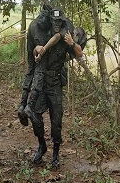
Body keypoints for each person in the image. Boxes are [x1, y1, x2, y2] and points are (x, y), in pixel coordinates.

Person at [30, 9, 86, 168]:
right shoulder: (43, 34)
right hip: (42, 81)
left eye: (58, 22)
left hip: (55, 83)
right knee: (35, 114)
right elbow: (34, 52)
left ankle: (55, 154)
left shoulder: (64, 38)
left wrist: (72, 43)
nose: (56, 24)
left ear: (62, 22)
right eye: (53, 21)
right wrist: (37, 49)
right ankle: (42, 145)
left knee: (56, 120)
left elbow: (79, 53)